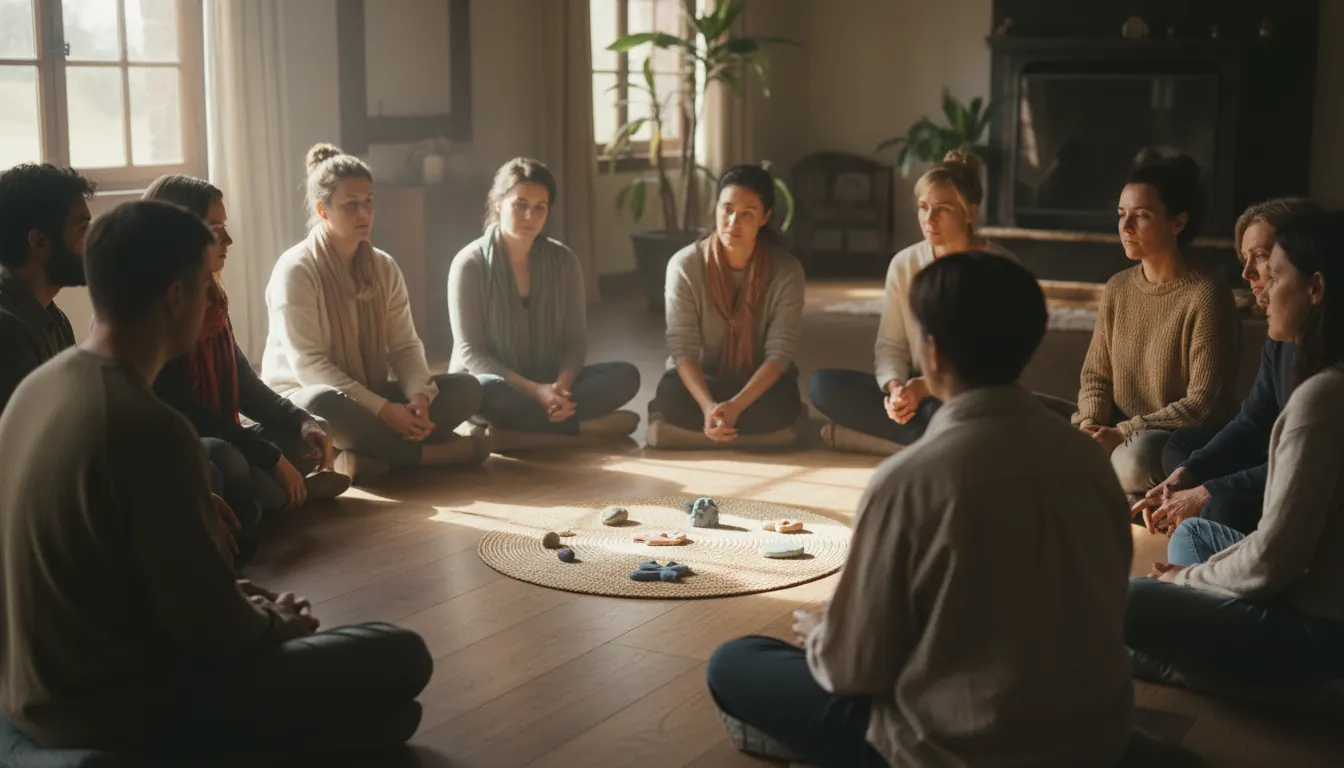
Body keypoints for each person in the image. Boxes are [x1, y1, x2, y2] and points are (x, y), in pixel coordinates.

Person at [0, 201, 432, 760]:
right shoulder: (149, 426)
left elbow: (127, 572)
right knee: (401, 655)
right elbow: (213, 629)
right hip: (110, 706)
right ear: (176, 296)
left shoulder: (38, 387)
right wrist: (277, 621)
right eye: (206, 285)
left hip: (28, 694)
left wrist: (232, 589)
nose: (212, 300)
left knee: (393, 716)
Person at [708, 253, 1134, 768]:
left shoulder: (907, 479)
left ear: (931, 351)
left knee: (733, 662)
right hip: (1093, 736)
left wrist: (824, 637)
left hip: (957, 748)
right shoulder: (1088, 460)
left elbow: (853, 671)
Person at [1126, 209, 1344, 693]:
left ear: (1316, 288)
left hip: (1314, 626)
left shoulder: (1323, 397)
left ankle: (1225, 679)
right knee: (1193, 534)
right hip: (1295, 585)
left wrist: (1185, 580)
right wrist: (1189, 476)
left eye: (1274, 272)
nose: (1259, 286)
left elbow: (1273, 561)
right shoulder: (1303, 366)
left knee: (1123, 603)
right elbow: (1250, 424)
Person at [262, 144, 483, 483]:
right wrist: (385, 411)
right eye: (351, 205)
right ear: (322, 210)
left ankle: (359, 456)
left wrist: (418, 399)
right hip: (302, 396)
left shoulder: (383, 267)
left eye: (369, 202)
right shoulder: (296, 270)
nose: (364, 213)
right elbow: (310, 367)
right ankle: (432, 455)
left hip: (368, 392)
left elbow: (404, 346)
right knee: (325, 404)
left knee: (467, 388)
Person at [143, 175, 350, 531]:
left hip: (228, 433)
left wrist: (300, 420)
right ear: (178, 235)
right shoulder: (154, 310)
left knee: (315, 430)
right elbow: (189, 416)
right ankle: (279, 499)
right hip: (186, 446)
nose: (228, 240)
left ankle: (259, 503)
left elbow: (244, 384)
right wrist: (270, 457)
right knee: (226, 459)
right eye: (215, 230)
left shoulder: (211, 298)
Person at [809, 150, 1021, 454]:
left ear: (970, 213)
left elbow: (995, 362)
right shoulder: (904, 263)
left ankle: (868, 440)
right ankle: (941, 444)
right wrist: (896, 389)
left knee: (954, 415)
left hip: (971, 393)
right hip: (916, 392)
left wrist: (924, 388)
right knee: (822, 386)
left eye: (942, 209)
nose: (929, 219)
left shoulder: (1001, 267)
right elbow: (891, 345)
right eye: (923, 207)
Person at [1132, 197, 1321, 536]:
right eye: (1244, 257)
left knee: (1219, 507)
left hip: (1304, 475)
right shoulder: (1280, 335)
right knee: (1182, 451)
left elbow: (1305, 462)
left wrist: (1207, 491)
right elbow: (1254, 421)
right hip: (1273, 458)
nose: (1246, 273)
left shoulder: (1327, 360)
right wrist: (1187, 476)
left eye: (1261, 256)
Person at [1071, 157, 1240, 494]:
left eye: (1142, 215)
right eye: (1121, 214)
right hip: (1114, 429)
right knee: (1027, 417)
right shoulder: (1117, 287)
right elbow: (1096, 376)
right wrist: (1090, 426)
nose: (1126, 227)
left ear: (1177, 223)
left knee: (1134, 459)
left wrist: (1124, 431)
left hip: (1169, 438)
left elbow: (1203, 405)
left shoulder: (1207, 294)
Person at [448, 158, 641, 442]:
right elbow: (471, 353)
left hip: (550, 381)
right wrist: (535, 391)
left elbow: (575, 341)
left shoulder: (564, 261)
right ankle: (581, 428)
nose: (530, 215)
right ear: (498, 204)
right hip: (498, 384)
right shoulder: (470, 263)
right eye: (520, 205)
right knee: (484, 393)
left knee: (626, 376)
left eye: (540, 207)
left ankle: (514, 433)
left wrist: (561, 387)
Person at [648, 164, 805, 448]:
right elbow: (683, 347)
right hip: (703, 381)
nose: (733, 222)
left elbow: (780, 352)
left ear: (765, 218)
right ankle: (767, 439)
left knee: (782, 400)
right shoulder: (685, 265)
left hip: (755, 384)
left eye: (747, 214)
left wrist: (735, 406)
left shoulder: (786, 271)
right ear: (716, 208)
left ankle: (681, 436)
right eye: (727, 209)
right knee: (671, 395)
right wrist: (709, 407)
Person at [0, 163, 95, 415]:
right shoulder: (6, 332)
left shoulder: (54, 318)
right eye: (83, 228)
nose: (94, 240)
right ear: (40, 242)